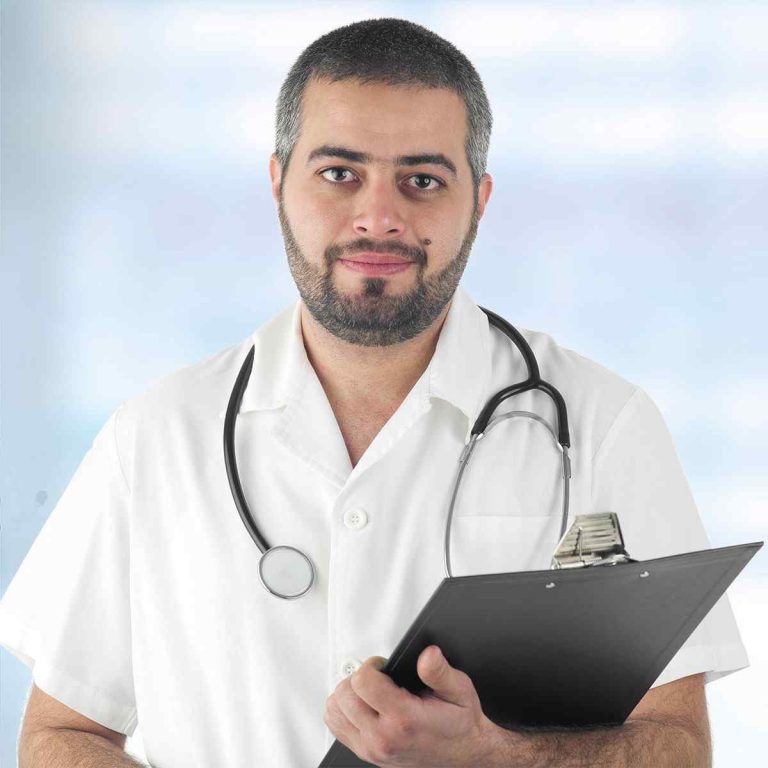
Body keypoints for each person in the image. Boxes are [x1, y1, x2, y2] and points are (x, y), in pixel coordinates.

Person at [0, 17, 749, 768]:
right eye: (340, 174)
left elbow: (679, 746)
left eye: (422, 181)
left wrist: (497, 756)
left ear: (480, 200)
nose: (379, 218)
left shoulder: (601, 424)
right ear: (277, 182)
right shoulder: (158, 435)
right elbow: (62, 736)